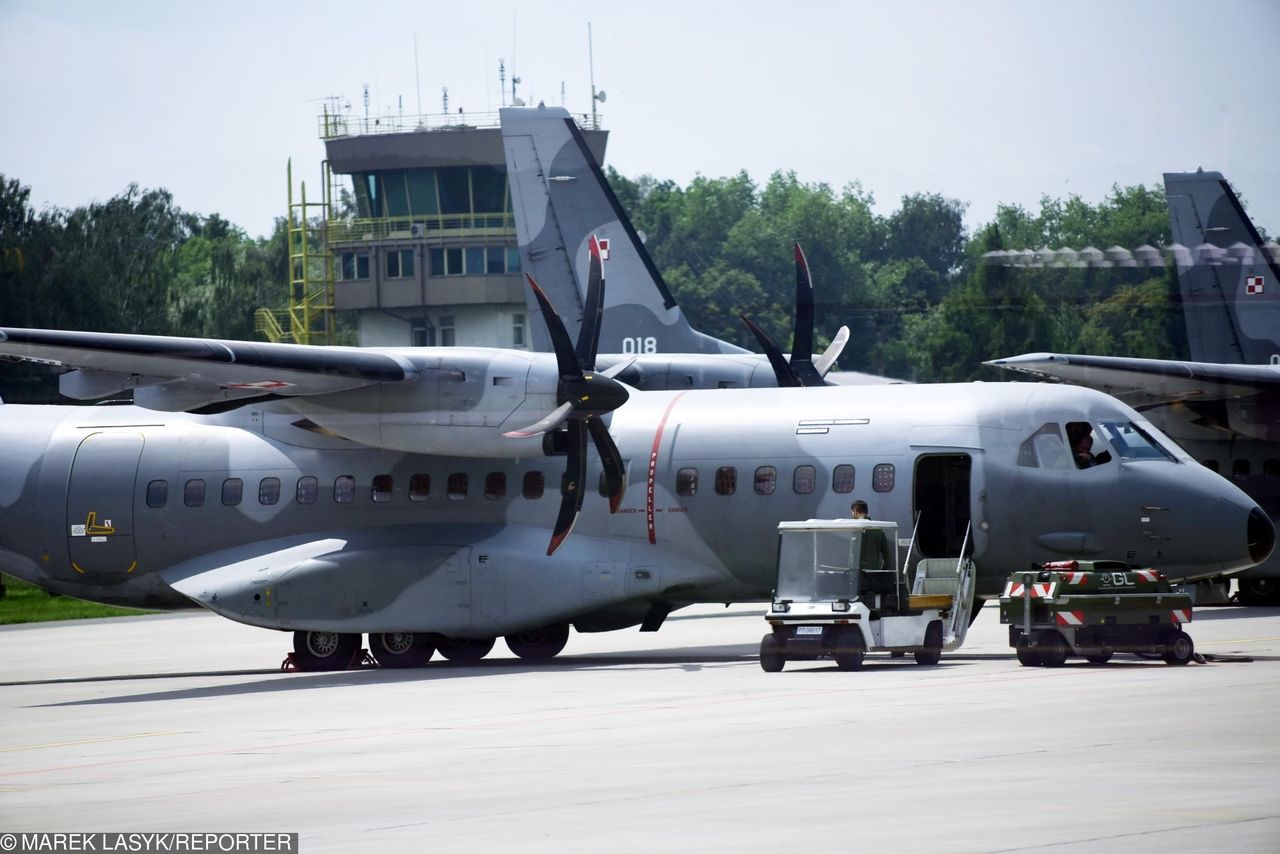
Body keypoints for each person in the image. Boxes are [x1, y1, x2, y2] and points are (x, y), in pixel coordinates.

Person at [851, 500, 892, 570]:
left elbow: (854, 554)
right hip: (875, 573)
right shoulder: (878, 529)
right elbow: (887, 554)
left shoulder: (855, 528)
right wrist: (884, 571)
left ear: (855, 511)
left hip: (859, 574)